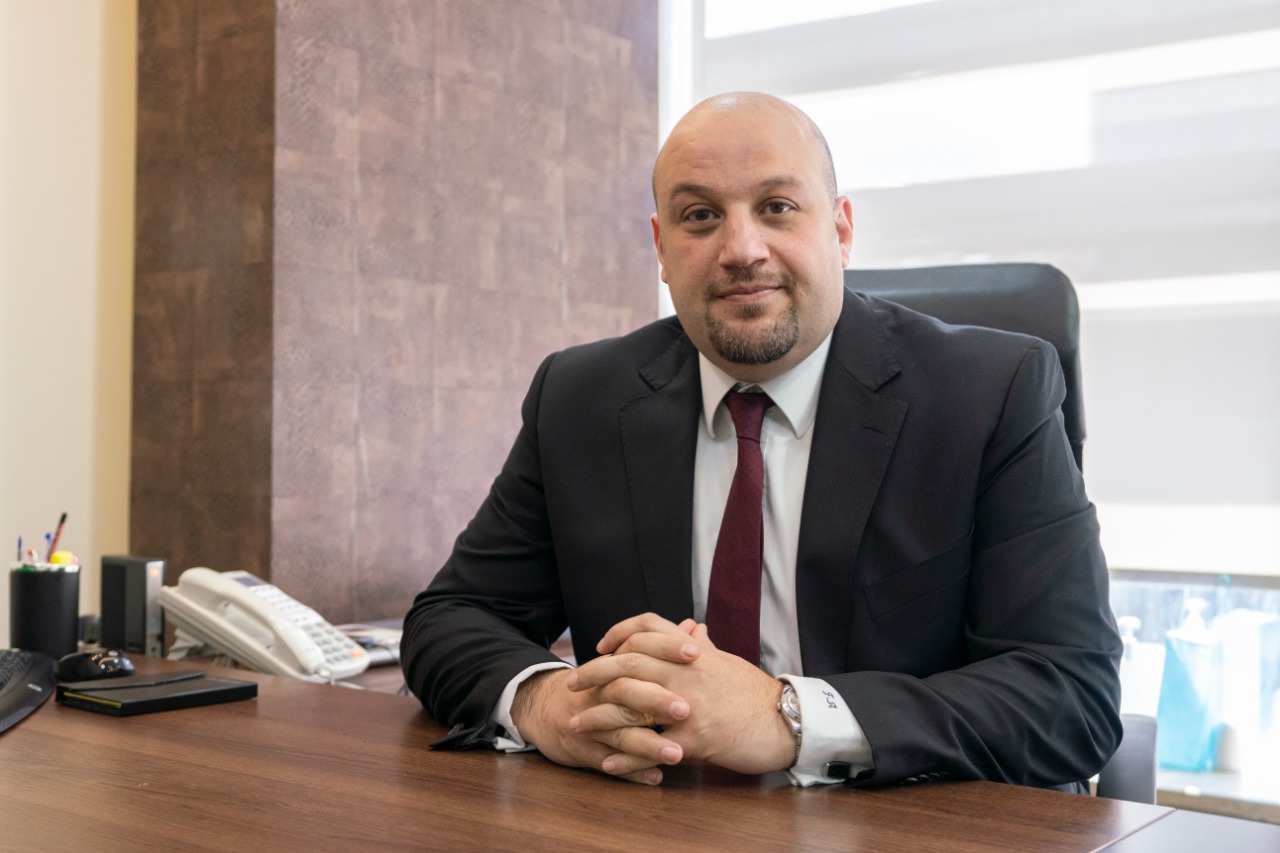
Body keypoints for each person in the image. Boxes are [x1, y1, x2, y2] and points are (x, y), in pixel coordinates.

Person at [401, 92, 1122, 790]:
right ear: (661, 247)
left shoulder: (990, 392)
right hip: (653, 820)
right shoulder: (580, 398)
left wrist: (786, 718)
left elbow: (1070, 693)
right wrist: (546, 703)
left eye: (777, 207)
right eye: (700, 215)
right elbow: (451, 617)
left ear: (840, 230)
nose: (741, 250)